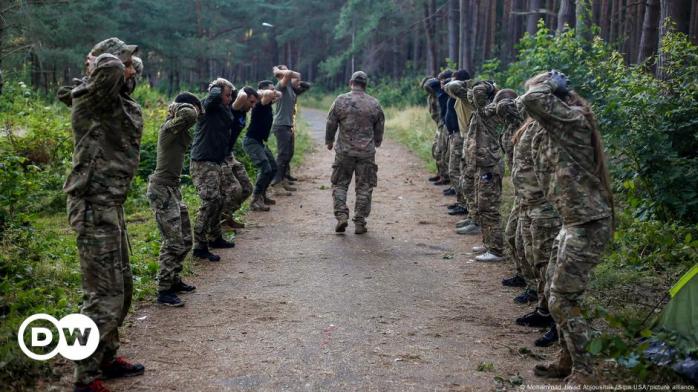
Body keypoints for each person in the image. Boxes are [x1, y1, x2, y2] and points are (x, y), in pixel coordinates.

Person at [59, 37, 145, 392]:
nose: (130, 70)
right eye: (125, 63)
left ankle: (105, 356)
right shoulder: (92, 100)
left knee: (121, 290)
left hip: (111, 204)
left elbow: (121, 73)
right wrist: (101, 59)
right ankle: (85, 374)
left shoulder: (115, 101)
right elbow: (109, 69)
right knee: (102, 294)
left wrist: (119, 64)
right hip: (93, 204)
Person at [522, 71, 613, 385]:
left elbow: (532, 99)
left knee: (562, 298)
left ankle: (586, 373)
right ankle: (566, 357)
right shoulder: (553, 127)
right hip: (571, 222)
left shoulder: (574, 121)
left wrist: (548, 85)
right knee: (551, 291)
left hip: (588, 223)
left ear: (553, 96)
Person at [147, 92, 202, 308]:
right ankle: (164, 290)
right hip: (161, 189)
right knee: (172, 241)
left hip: (173, 188)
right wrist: (182, 106)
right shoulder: (169, 127)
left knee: (186, 238)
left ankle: (174, 279)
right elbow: (189, 114)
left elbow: (189, 118)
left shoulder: (177, 128)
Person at [326, 71, 385, 234]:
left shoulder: (340, 100)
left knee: (340, 184)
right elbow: (379, 126)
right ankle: (360, 221)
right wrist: (377, 141)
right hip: (366, 152)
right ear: (365, 85)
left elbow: (331, 122)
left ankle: (341, 216)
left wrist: (329, 140)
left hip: (344, 151)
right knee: (364, 186)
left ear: (350, 82)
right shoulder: (374, 103)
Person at [189, 78, 238, 262]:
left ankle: (214, 237)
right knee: (210, 201)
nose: (229, 99)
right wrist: (217, 88)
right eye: (226, 95)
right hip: (203, 161)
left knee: (219, 199)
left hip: (216, 160)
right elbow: (211, 100)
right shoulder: (206, 106)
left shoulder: (223, 109)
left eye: (230, 96)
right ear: (216, 92)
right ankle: (199, 245)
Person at [220, 86, 258, 228]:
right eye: (252, 102)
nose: (253, 106)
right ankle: (220, 221)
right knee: (234, 190)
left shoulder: (243, 113)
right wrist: (241, 91)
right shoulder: (233, 109)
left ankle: (226, 216)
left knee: (247, 188)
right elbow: (241, 96)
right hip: (219, 155)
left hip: (230, 154)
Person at [243, 80, 283, 211]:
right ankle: (255, 199)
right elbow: (269, 94)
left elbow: (280, 95)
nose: (274, 92)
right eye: (271, 90)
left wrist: (272, 91)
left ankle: (262, 196)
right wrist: (263, 92)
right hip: (252, 141)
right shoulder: (260, 103)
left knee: (273, 168)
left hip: (260, 142)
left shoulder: (268, 103)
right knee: (265, 168)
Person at [270, 65, 302, 194]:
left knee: (288, 154)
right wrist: (278, 71)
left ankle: (282, 180)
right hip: (281, 125)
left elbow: (298, 76)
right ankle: (276, 183)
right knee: (282, 155)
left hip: (287, 125)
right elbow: (290, 73)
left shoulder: (289, 88)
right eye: (286, 71)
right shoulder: (280, 86)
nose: (290, 73)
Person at [443, 69, 471, 216]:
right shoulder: (457, 96)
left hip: (461, 137)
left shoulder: (465, 95)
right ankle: (462, 202)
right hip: (456, 135)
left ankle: (464, 203)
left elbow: (452, 86)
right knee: (456, 170)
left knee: (456, 170)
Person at [421, 76, 444, 183]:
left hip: (443, 125)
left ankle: (444, 176)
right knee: (435, 150)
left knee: (440, 150)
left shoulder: (441, 96)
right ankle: (440, 173)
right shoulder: (431, 97)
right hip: (439, 125)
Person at [433, 69, 453, 186]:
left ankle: (446, 177)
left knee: (448, 155)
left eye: (442, 81)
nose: (441, 84)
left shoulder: (451, 94)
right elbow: (429, 84)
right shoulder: (442, 94)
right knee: (439, 151)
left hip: (450, 129)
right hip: (444, 125)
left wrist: (447, 82)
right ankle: (442, 174)